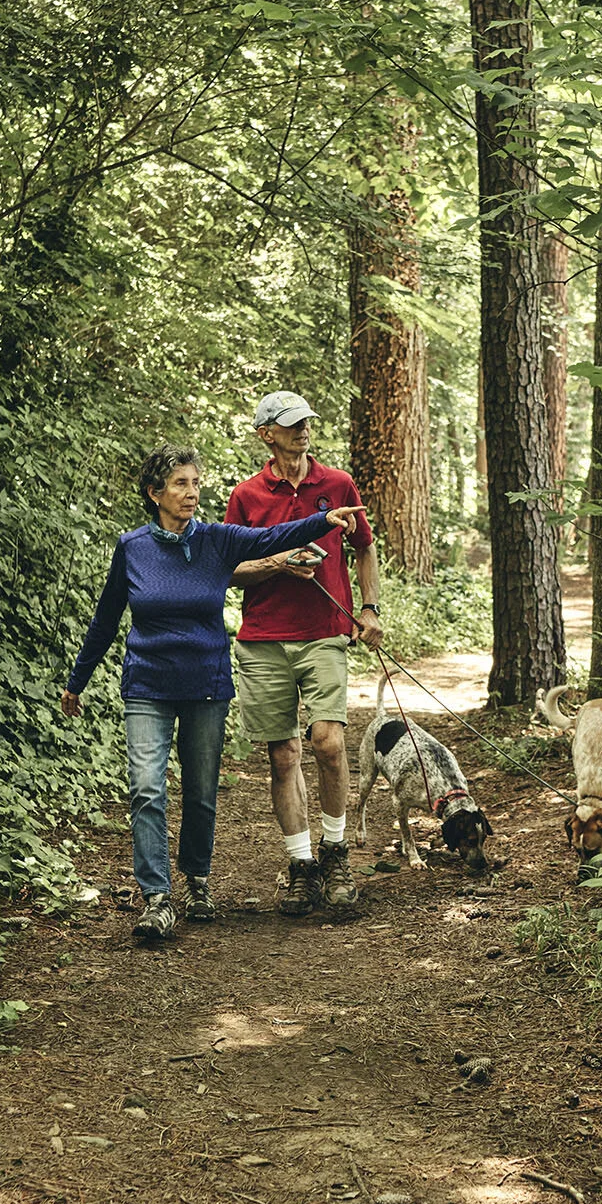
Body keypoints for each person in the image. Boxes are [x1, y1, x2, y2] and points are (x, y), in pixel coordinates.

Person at [62, 444, 365, 940]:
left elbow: (274, 536)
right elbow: (106, 616)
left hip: (205, 684)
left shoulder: (216, 541)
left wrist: (325, 520)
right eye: (180, 484)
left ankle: (197, 880)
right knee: (146, 788)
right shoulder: (132, 547)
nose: (192, 493)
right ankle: (157, 898)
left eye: (195, 483)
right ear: (154, 492)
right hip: (147, 684)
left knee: (201, 792)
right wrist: (78, 681)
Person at [226, 391, 382, 916]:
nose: (303, 431)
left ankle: (336, 855)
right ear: (266, 433)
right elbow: (228, 569)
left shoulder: (337, 485)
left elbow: (364, 546)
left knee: (329, 742)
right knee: (283, 755)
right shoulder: (246, 496)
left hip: (325, 631)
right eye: (291, 425)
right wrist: (278, 564)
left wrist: (371, 608)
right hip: (264, 636)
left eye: (307, 423)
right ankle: (301, 867)